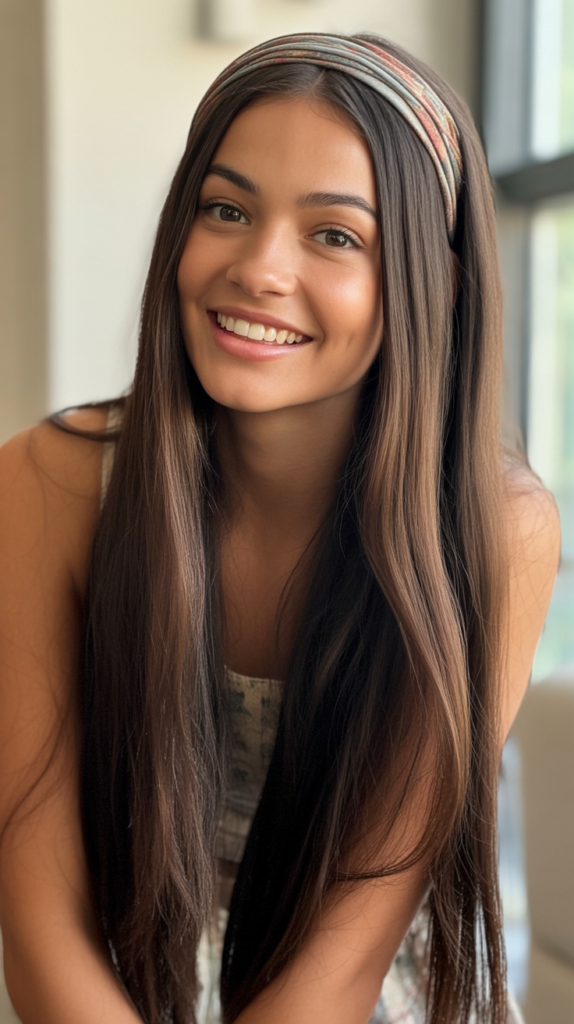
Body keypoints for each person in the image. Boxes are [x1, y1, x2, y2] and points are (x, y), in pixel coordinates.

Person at [0, 31, 561, 1024]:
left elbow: (343, 961)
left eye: (334, 235)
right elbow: (41, 914)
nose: (258, 267)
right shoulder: (47, 482)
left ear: (433, 283)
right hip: (126, 979)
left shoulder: (496, 532)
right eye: (225, 209)